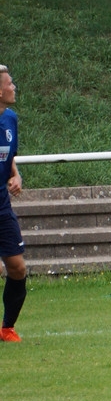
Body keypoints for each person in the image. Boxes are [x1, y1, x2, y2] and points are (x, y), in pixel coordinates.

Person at [0, 65, 26, 343]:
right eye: (10, 83)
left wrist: (15, 175)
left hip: (2, 206)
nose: (13, 87)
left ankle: (7, 328)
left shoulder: (10, 119)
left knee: (17, 268)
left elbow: (8, 157)